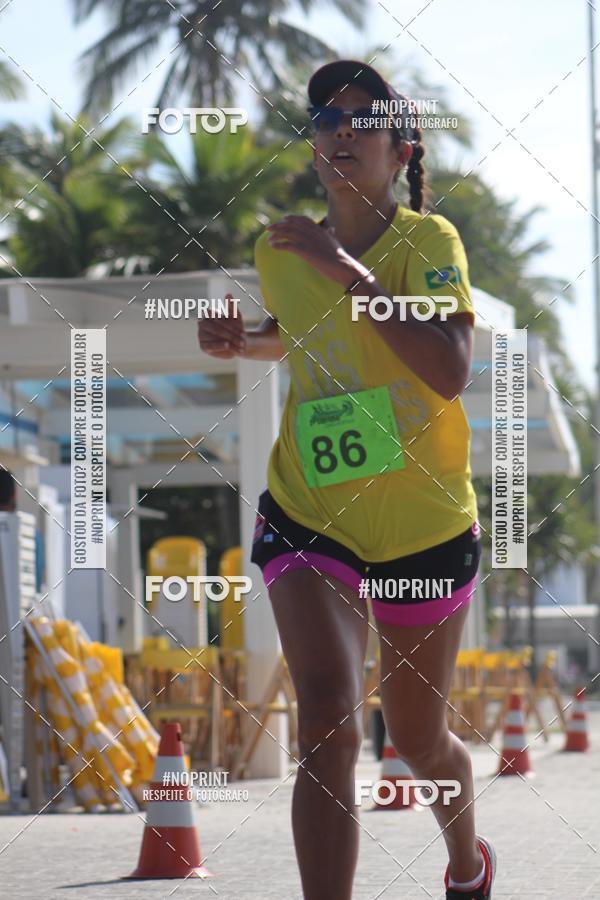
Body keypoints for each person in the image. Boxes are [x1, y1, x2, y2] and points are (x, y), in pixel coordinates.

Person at [198, 59, 496, 900]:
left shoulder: (431, 243)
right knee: (328, 717)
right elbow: (300, 334)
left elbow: (448, 370)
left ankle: (467, 864)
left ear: (401, 151)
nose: (339, 130)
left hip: (423, 526)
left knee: (418, 740)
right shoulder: (281, 249)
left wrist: (351, 273)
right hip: (309, 511)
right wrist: (241, 340)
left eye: (362, 119)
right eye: (325, 118)